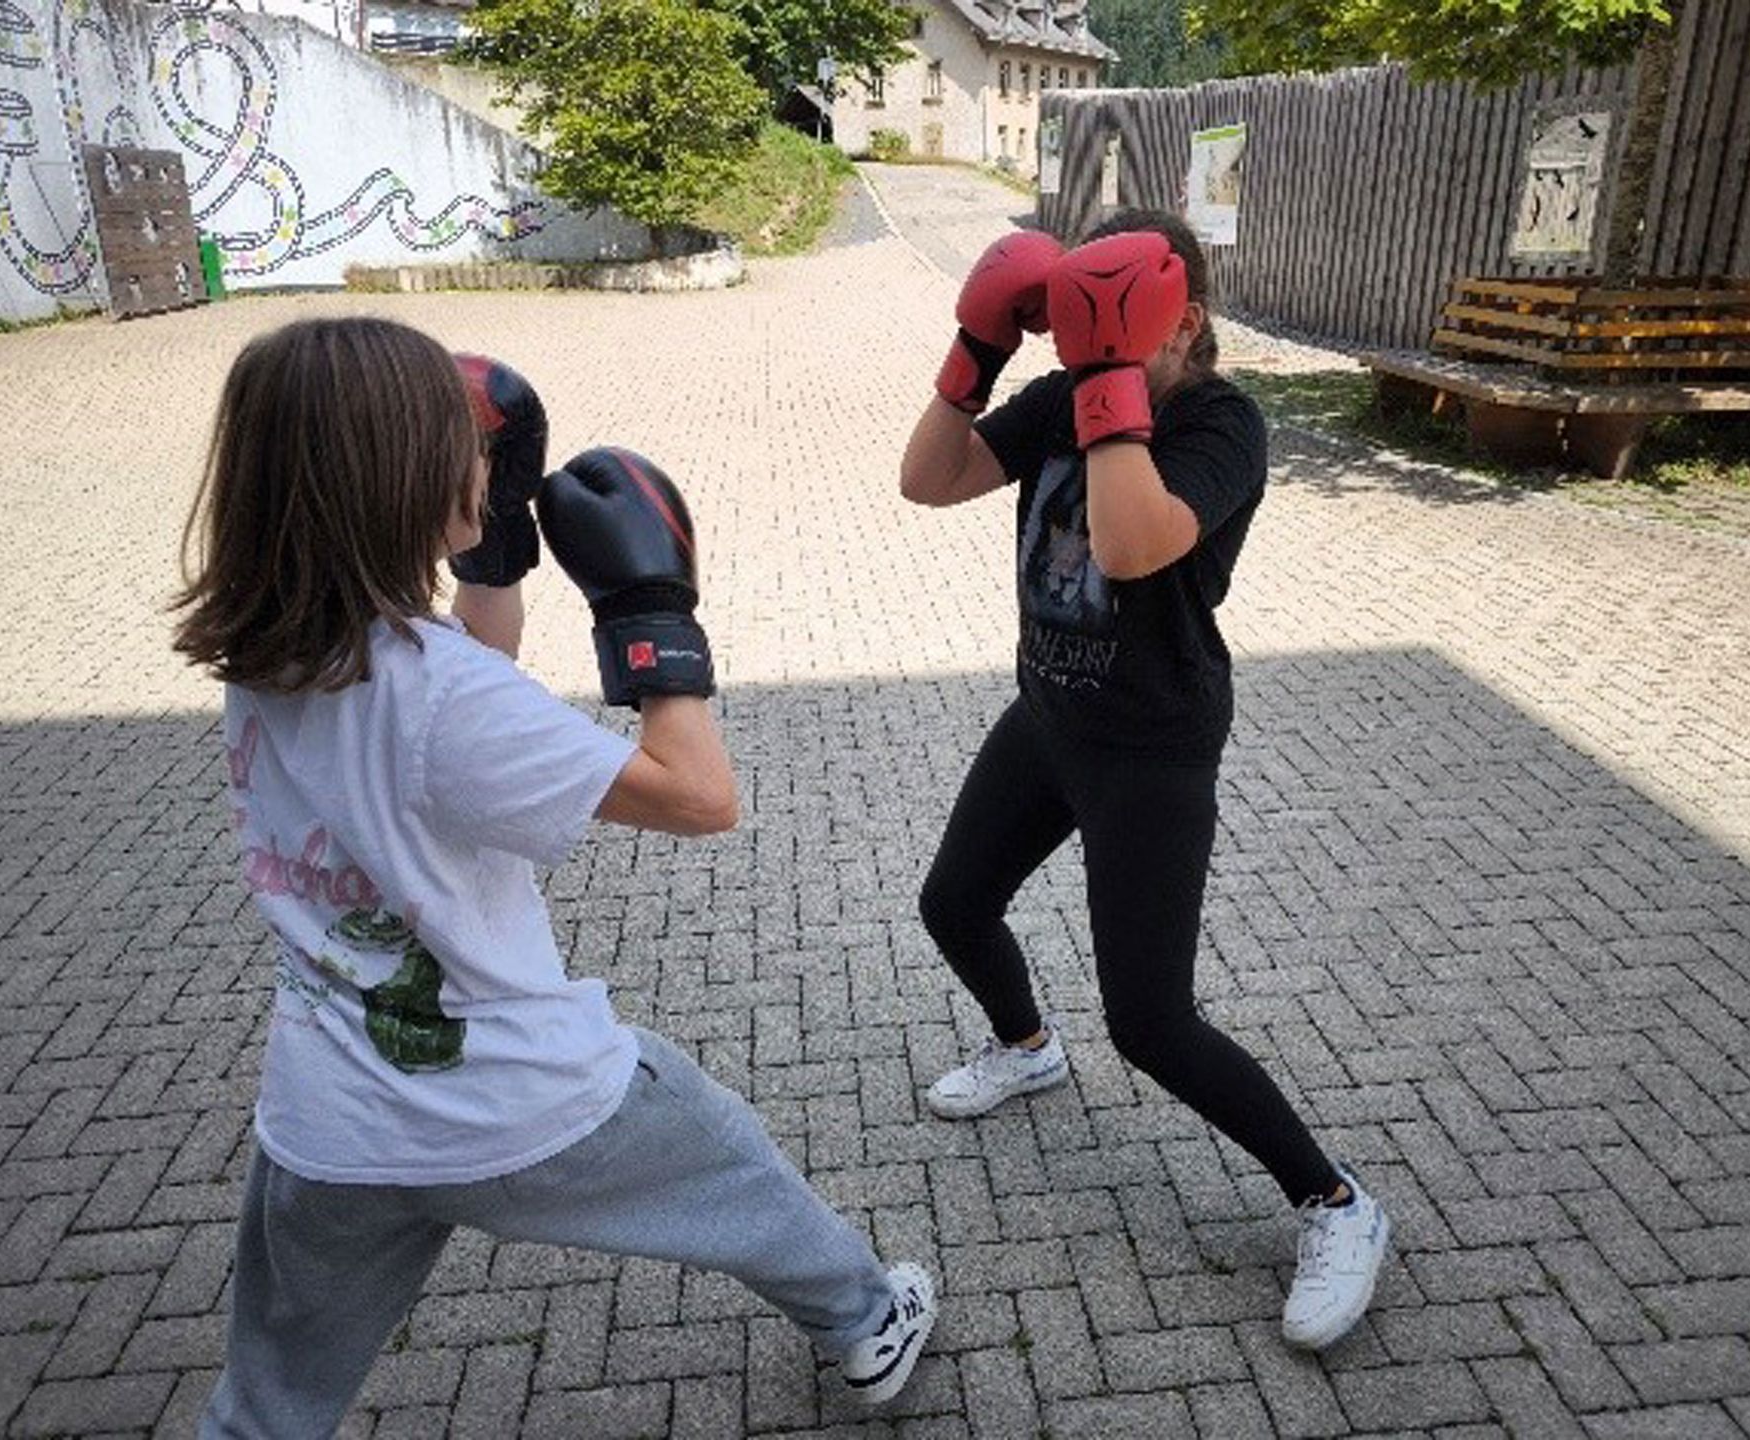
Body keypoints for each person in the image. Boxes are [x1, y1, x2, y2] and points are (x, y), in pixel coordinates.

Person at [174, 317, 935, 1435]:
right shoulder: (438, 694)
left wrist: (488, 558)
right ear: (398, 479)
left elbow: (457, 708)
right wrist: (650, 615)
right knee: (729, 1156)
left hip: (332, 1120)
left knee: (269, 1408)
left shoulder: (276, 648)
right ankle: (869, 1317)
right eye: (464, 450)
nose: (486, 463)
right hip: (515, 1096)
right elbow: (699, 796)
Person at [900, 211, 1390, 1350]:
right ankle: (1027, 1049)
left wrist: (1112, 370)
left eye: (1108, 324)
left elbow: (1131, 544)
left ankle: (1337, 1203)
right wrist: (977, 351)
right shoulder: (1068, 389)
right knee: (953, 904)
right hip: (1052, 714)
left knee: (1152, 1021)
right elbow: (930, 480)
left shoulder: (1222, 421)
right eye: (1078, 324)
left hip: (1154, 747)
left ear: (1188, 322)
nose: (1084, 351)